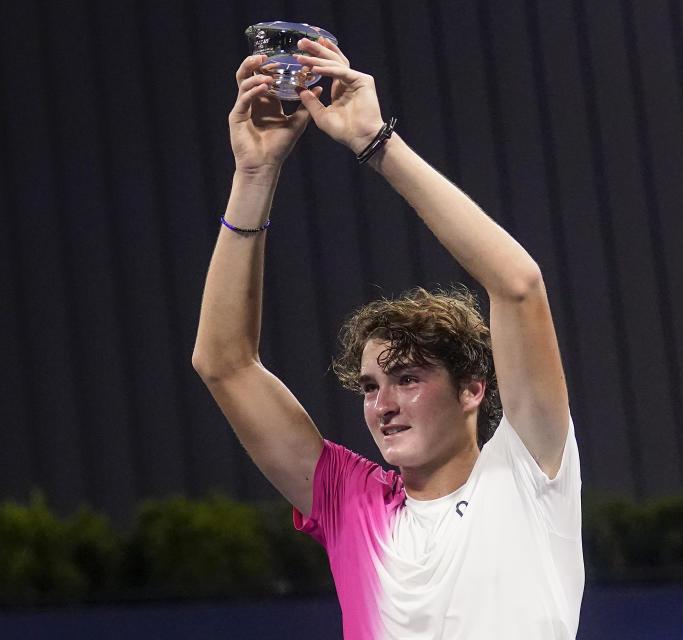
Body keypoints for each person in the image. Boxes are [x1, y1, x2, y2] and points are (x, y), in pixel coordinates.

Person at [192, 37, 583, 639]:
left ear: (473, 389)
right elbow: (223, 364)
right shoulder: (351, 502)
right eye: (372, 386)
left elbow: (518, 284)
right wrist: (254, 173)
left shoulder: (529, 468)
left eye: (408, 378)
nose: (383, 405)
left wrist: (374, 143)